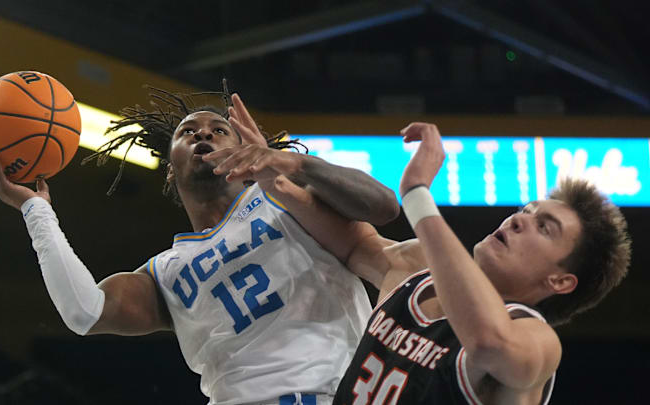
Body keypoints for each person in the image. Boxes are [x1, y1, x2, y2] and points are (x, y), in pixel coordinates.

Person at [0, 90, 401, 405]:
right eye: (188, 132)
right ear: (170, 169)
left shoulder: (290, 202)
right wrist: (36, 211)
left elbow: (383, 207)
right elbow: (82, 312)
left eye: (220, 130)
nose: (205, 135)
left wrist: (290, 162)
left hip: (331, 393)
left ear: (244, 148)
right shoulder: (166, 271)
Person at [263, 123, 631, 405]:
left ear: (560, 281)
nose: (518, 220)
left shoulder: (536, 340)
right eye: (526, 211)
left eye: (544, 228)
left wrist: (419, 196)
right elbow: (354, 241)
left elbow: (489, 343)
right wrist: (268, 172)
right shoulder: (417, 274)